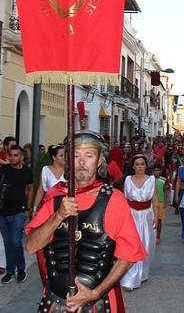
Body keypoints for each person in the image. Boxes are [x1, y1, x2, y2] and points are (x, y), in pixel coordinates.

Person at [25, 131, 146, 312]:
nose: (82, 163)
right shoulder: (55, 198)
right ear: (68, 160)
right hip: (56, 301)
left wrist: (95, 293)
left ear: (99, 162)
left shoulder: (114, 200)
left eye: (89, 156)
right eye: (75, 156)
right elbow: (31, 246)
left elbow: (128, 257)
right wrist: (58, 215)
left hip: (98, 303)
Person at [0, 145, 34, 284]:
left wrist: (29, 208)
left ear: (21, 157)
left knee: (16, 241)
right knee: (7, 243)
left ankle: (21, 268)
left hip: (19, 211)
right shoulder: (2, 170)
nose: (13, 158)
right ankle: (10, 271)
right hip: (3, 211)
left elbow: (30, 189)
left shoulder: (27, 172)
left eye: (16, 155)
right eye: (11, 155)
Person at [120, 155, 159, 291]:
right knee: (132, 245)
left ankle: (142, 273)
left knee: (145, 245)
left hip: (147, 215)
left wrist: (156, 216)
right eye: (137, 164)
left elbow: (155, 200)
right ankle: (131, 278)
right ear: (133, 166)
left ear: (145, 166)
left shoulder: (151, 180)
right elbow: (125, 200)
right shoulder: (128, 180)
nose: (140, 167)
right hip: (132, 215)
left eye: (142, 164)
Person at [33, 144, 66, 211]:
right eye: (61, 156)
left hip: (65, 206)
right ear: (54, 157)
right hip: (50, 205)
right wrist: (34, 208)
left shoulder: (69, 170)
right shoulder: (45, 170)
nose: (64, 158)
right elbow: (40, 190)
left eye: (66, 155)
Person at [153, 164, 167, 244]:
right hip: (152, 203)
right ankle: (152, 235)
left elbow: (165, 191)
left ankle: (158, 236)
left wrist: (165, 202)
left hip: (160, 202)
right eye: (155, 170)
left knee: (159, 220)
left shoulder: (163, 180)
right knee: (152, 219)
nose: (156, 172)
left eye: (158, 170)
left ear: (161, 171)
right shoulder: (150, 180)